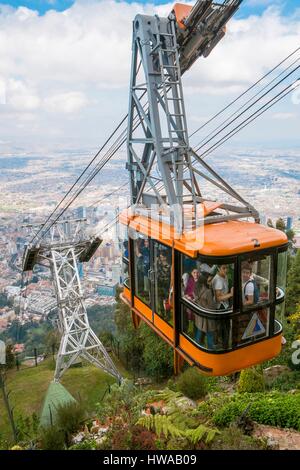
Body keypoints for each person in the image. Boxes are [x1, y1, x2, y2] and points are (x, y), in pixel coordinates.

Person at [212, 265, 233, 349]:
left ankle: (223, 343)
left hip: (225, 304)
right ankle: (224, 346)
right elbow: (218, 298)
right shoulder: (218, 281)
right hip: (220, 306)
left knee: (226, 326)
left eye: (227, 268)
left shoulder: (225, 276)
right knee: (223, 327)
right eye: (223, 268)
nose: (226, 270)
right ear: (218, 268)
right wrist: (231, 294)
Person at [194, 274, 217, 349]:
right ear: (204, 282)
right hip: (208, 317)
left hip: (199, 315)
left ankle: (196, 347)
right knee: (210, 334)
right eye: (209, 281)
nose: (211, 282)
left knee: (199, 331)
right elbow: (211, 307)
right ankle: (210, 350)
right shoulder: (208, 292)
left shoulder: (196, 288)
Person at [156, 250, 172, 321]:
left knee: (166, 300)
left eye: (162, 257)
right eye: (160, 257)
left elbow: (170, 276)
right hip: (160, 283)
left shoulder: (169, 265)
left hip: (166, 284)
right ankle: (162, 313)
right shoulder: (159, 263)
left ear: (165, 257)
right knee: (160, 299)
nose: (161, 258)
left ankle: (168, 315)